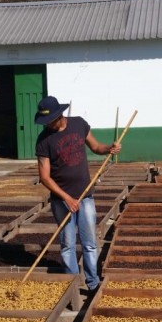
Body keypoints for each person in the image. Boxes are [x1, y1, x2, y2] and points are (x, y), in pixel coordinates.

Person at [34, 96, 121, 292]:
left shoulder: (79, 124)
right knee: (67, 245)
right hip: (61, 201)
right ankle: (71, 287)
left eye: (50, 120)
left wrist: (110, 148)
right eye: (45, 121)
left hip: (86, 196)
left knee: (90, 243)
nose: (47, 124)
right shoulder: (43, 140)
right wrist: (67, 198)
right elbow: (45, 177)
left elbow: (97, 147)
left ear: (60, 115)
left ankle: (93, 284)